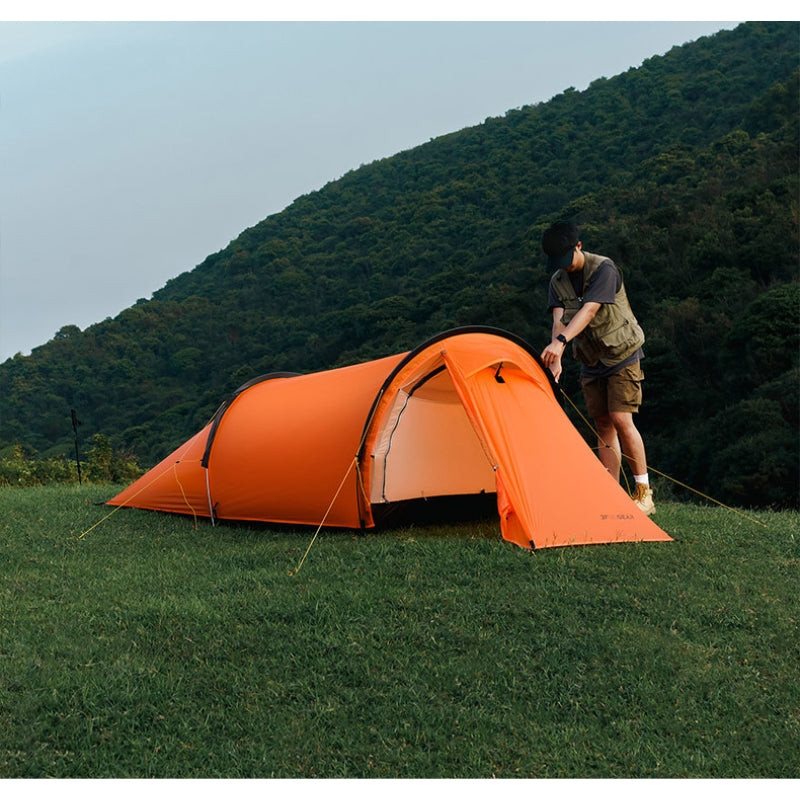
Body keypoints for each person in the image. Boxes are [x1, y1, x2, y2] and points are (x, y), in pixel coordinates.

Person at [539, 221, 655, 516]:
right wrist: (557, 358)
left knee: (621, 418)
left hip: (621, 353)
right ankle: (609, 494)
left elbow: (590, 310)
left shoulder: (604, 268)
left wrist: (561, 342)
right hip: (590, 359)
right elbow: (559, 321)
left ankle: (644, 492)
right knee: (602, 423)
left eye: (567, 260)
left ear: (578, 246)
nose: (564, 267)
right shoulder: (557, 281)